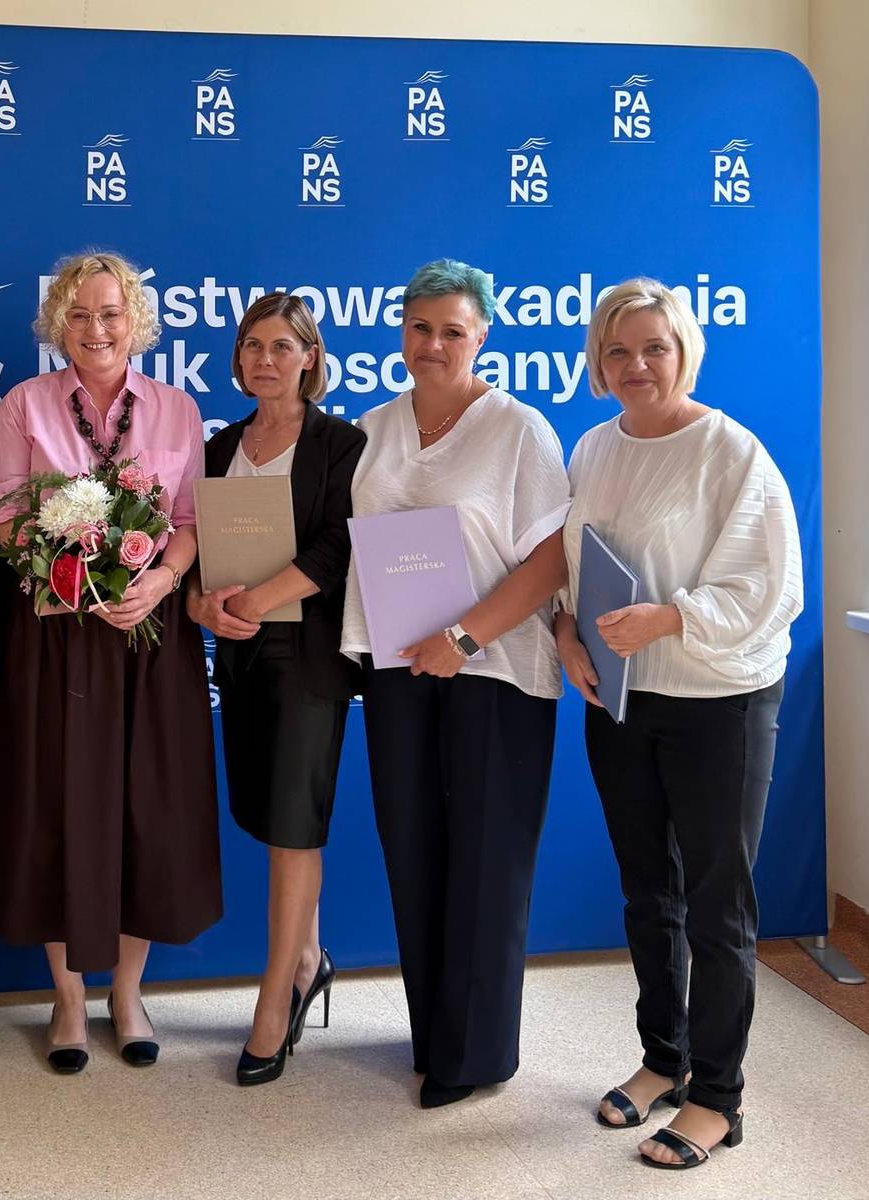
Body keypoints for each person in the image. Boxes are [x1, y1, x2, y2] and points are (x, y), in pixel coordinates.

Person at [554, 278, 803, 1169]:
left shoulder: (731, 452)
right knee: (646, 892)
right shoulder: (592, 447)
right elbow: (568, 564)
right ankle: (665, 1058)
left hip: (718, 701)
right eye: (617, 350)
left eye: (653, 348)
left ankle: (719, 1099)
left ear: (685, 353)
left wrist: (670, 618)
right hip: (623, 700)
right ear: (598, 361)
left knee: (717, 905)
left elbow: (771, 588)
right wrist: (563, 629)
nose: (636, 365)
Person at [0, 250, 221, 1073]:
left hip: (150, 633)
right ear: (57, 325)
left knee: (149, 809)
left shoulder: (177, 410)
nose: (96, 329)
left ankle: (129, 994)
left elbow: (191, 520)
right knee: (56, 805)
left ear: (135, 321)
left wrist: (162, 580)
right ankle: (69, 1000)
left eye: (111, 313)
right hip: (56, 636)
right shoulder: (23, 407)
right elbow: (3, 520)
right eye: (78, 314)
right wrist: (72, 564)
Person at [340, 258, 570, 1109]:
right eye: (419, 327)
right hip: (398, 667)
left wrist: (466, 636)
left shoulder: (519, 430)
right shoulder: (370, 429)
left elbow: (553, 558)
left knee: (487, 859)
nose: (433, 344)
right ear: (400, 330)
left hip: (494, 668)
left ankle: (474, 1056)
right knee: (413, 850)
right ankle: (434, 1035)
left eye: (452, 331)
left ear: (482, 338)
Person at [189, 293, 366, 1085]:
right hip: (240, 655)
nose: (266, 359)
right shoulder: (220, 445)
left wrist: (259, 601)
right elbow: (198, 550)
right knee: (267, 813)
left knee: (296, 826)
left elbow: (338, 544)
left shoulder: (342, 444)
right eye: (253, 345)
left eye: (283, 346)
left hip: (310, 655)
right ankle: (309, 959)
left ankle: (274, 1004)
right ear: (238, 358)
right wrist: (200, 606)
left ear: (310, 357)